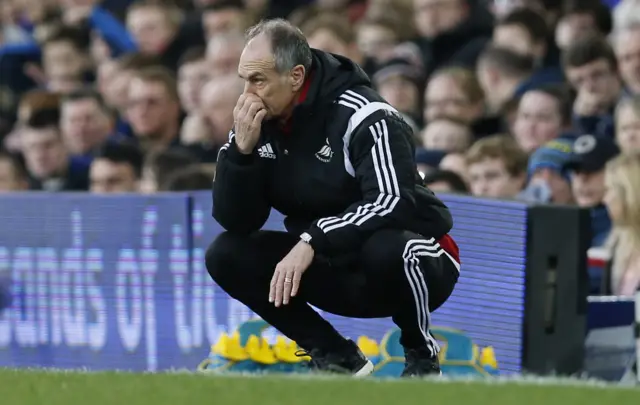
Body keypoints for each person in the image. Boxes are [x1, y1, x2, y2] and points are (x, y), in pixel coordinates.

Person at [205, 19, 459, 377]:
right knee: (225, 254)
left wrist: (314, 238)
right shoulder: (256, 121)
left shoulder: (365, 114)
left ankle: (421, 356)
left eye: (258, 79)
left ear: (295, 76)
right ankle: (335, 356)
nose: (247, 93)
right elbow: (237, 221)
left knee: (387, 247)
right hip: (336, 267)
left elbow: (393, 201)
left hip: (419, 262)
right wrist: (241, 156)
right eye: (244, 79)